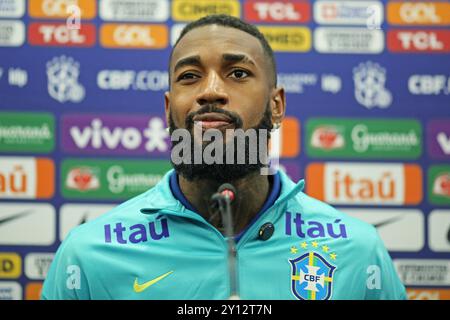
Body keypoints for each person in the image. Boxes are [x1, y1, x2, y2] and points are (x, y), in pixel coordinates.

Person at [42, 14, 407, 300]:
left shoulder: (357, 251)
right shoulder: (89, 254)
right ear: (169, 109)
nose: (212, 91)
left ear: (276, 105)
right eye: (189, 76)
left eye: (237, 73)